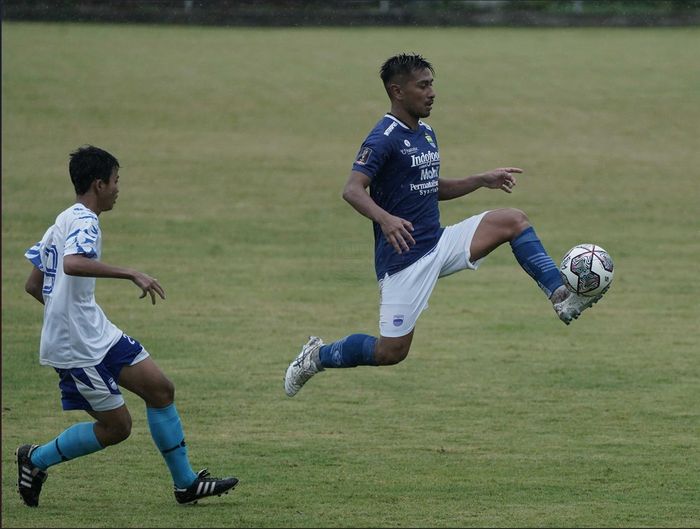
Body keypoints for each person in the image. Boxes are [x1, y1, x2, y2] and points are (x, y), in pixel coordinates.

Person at [284, 53, 608, 397]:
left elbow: (428, 186)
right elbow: (352, 189)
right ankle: (316, 356)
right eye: (422, 86)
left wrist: (480, 179)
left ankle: (561, 296)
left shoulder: (425, 133)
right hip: (404, 262)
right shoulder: (383, 137)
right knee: (391, 352)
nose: (432, 92)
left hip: (439, 242)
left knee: (512, 220)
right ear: (397, 91)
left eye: (432, 84)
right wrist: (385, 218)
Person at [18, 145, 238, 507]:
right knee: (117, 428)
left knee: (160, 389)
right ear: (99, 184)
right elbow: (72, 264)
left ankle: (186, 484)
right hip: (76, 346)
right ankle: (35, 459)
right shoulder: (84, 222)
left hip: (95, 331)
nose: (119, 188)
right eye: (116, 181)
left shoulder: (62, 219)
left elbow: (32, 283)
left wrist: (65, 311)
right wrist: (131, 273)